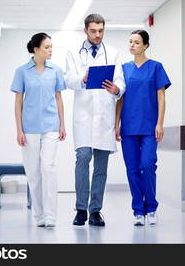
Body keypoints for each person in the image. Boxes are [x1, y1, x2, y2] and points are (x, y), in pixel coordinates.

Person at [65, 14, 125, 226]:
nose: (98, 35)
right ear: (86, 31)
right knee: (82, 159)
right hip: (83, 116)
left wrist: (117, 89)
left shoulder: (114, 53)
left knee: (101, 166)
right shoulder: (73, 53)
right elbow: (68, 80)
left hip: (104, 116)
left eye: (101, 31)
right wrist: (81, 79)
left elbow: (120, 81)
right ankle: (81, 209)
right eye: (93, 31)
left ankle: (95, 211)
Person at [115, 30, 171, 226]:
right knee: (132, 169)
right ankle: (138, 209)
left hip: (149, 126)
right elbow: (120, 98)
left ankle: (152, 207)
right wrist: (116, 124)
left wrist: (160, 123)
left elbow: (161, 97)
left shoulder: (156, 67)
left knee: (147, 166)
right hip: (128, 126)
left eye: (136, 42)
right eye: (130, 41)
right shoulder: (123, 69)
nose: (132, 45)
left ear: (146, 45)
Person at [10, 32, 66, 228]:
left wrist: (62, 124)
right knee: (33, 173)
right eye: (46, 47)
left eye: (51, 47)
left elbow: (59, 98)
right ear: (35, 50)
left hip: (51, 126)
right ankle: (39, 215)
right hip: (29, 127)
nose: (50, 50)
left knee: (48, 168)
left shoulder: (56, 71)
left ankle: (51, 215)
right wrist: (19, 129)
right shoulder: (22, 71)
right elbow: (18, 103)